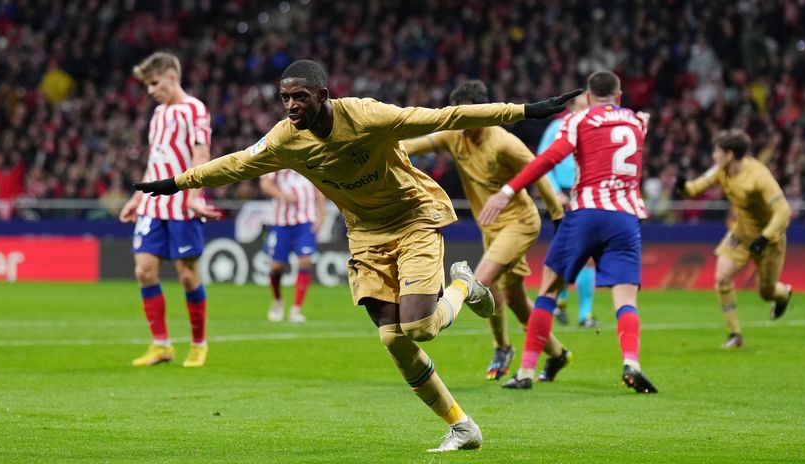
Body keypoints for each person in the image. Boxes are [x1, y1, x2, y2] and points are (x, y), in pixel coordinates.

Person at [134, 59, 581, 451]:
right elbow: (234, 163)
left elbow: (446, 115)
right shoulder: (285, 139)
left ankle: (464, 283)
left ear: (323, 96)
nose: (290, 106)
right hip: (365, 234)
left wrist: (523, 111)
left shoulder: (368, 115)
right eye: (284, 98)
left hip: (413, 217)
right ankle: (462, 427)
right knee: (392, 339)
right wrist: (177, 183)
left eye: (300, 98)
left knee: (421, 326)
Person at [480, 70, 657, 393]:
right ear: (618, 96)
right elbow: (641, 121)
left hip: (587, 212)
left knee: (549, 290)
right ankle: (632, 363)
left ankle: (525, 372)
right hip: (626, 218)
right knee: (626, 299)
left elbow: (549, 159)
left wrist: (508, 190)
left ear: (588, 98)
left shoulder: (578, 120)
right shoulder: (636, 122)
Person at [399, 80, 568, 382]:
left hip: (520, 222)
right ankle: (557, 353)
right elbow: (414, 145)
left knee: (480, 282)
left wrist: (558, 215)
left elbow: (539, 170)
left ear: (485, 114)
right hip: (490, 227)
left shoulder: (504, 143)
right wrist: (375, 147)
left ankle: (501, 346)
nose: (463, 126)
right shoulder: (455, 135)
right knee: (514, 298)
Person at [118, 52, 221, 368]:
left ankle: (198, 344)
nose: (150, 90)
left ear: (172, 77)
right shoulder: (158, 115)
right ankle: (161, 345)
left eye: (154, 83)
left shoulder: (195, 109)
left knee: (187, 277)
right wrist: (137, 199)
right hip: (152, 204)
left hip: (182, 204)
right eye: (147, 85)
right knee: (143, 271)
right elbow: (157, 159)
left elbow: (201, 154)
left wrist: (194, 195)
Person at [675, 129, 792, 349]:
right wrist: (683, 186)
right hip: (742, 233)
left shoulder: (758, 176)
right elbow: (695, 188)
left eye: (717, 152)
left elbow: (783, 211)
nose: (713, 156)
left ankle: (783, 294)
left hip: (769, 240)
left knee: (766, 292)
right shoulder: (721, 169)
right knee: (721, 278)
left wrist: (765, 237)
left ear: (729, 154)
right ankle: (735, 334)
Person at [536, 94, 598, 329]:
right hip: (562, 196)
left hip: (585, 195)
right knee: (564, 253)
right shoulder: (557, 127)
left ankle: (585, 315)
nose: (584, 111)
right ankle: (560, 300)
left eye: (588, 107)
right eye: (580, 107)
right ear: (571, 107)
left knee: (589, 256)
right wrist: (555, 194)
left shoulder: (595, 129)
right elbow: (543, 161)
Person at [259, 169, 326, 323]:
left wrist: (322, 215)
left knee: (305, 261)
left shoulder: (308, 161)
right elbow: (265, 184)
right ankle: (277, 300)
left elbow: (319, 187)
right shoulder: (278, 161)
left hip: (306, 222)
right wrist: (283, 195)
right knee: (276, 267)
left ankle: (296, 309)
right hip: (281, 223)